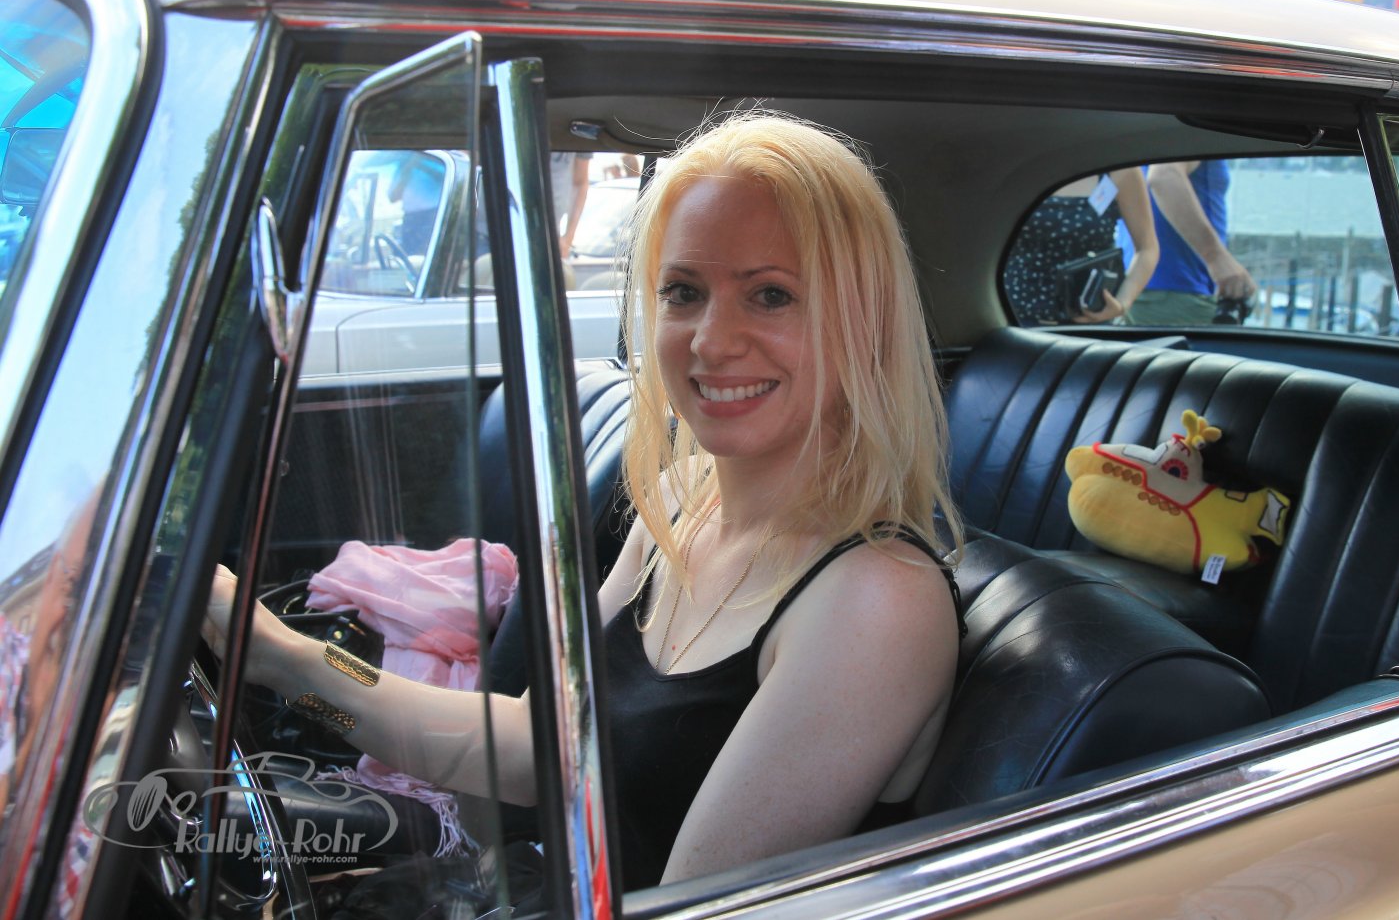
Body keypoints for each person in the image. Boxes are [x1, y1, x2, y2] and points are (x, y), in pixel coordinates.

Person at [207, 112, 964, 891]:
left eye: (771, 294)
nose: (711, 341)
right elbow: (536, 750)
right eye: (684, 291)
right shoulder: (683, 501)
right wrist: (282, 658)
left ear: (864, 320)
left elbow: (690, 904)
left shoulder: (877, 598)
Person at [1003, 168, 1158, 325]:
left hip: (1090, 317)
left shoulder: (1120, 170)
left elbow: (1147, 248)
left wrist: (1122, 303)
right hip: (1012, 316)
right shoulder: (1015, 165)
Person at [1126, 159, 1257, 325]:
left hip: (1146, 286)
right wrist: (1216, 258)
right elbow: (1164, 176)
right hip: (1178, 292)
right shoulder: (1192, 142)